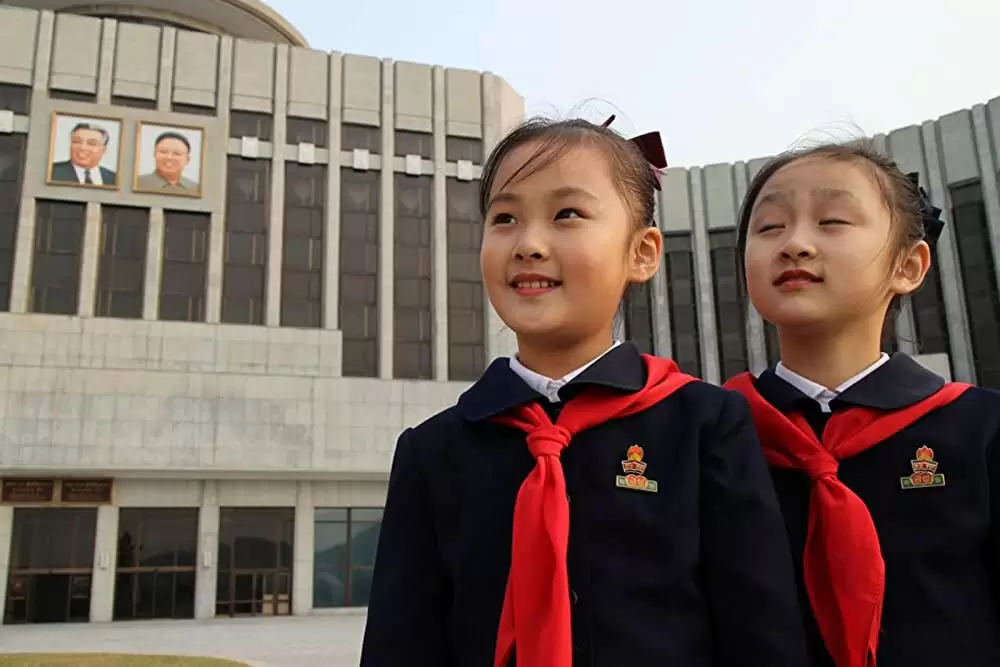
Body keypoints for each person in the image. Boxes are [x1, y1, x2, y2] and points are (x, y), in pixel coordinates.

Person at [360, 116, 808, 667]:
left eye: (566, 214)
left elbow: (760, 630)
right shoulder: (434, 450)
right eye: (504, 218)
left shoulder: (704, 423)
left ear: (641, 253)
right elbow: (401, 640)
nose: (528, 243)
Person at [724, 142, 1000, 667]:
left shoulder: (980, 428)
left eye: (832, 221)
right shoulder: (716, 433)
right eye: (769, 227)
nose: (795, 244)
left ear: (909, 265)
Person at [50, 121, 117, 187]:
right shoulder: (51, 172)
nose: (82, 147)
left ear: (103, 150)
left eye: (91, 143)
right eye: (77, 141)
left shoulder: (114, 179)